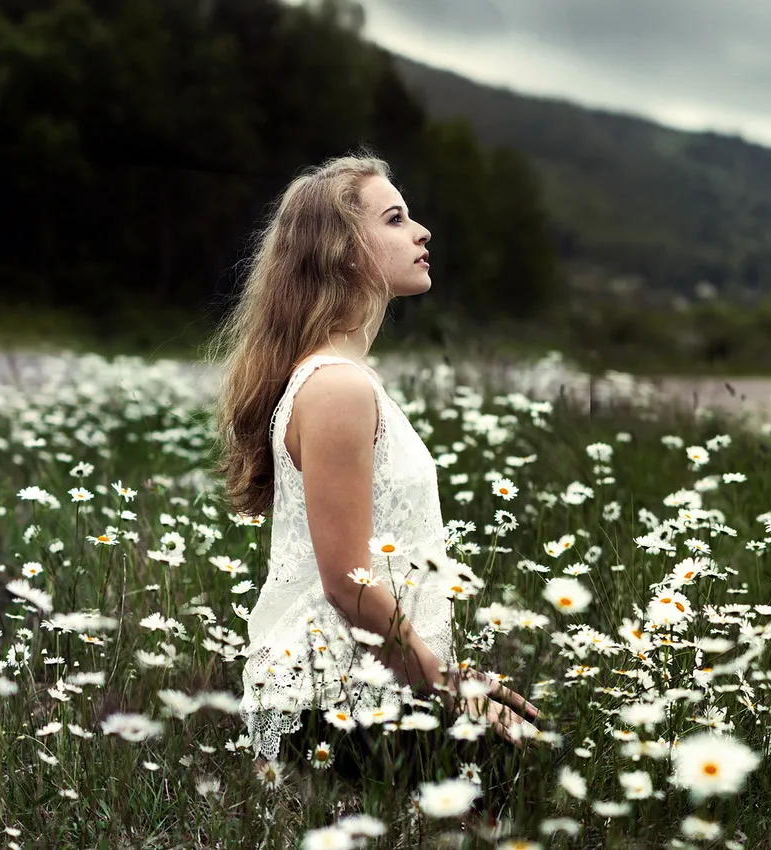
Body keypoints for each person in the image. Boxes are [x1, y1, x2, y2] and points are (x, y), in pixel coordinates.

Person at [205, 149, 543, 813]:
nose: (422, 233)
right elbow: (348, 582)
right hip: (329, 701)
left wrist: (451, 676)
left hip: (363, 684)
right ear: (343, 250)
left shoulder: (346, 380)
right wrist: (446, 685)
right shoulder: (335, 387)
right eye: (395, 219)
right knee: (516, 778)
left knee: (527, 751)